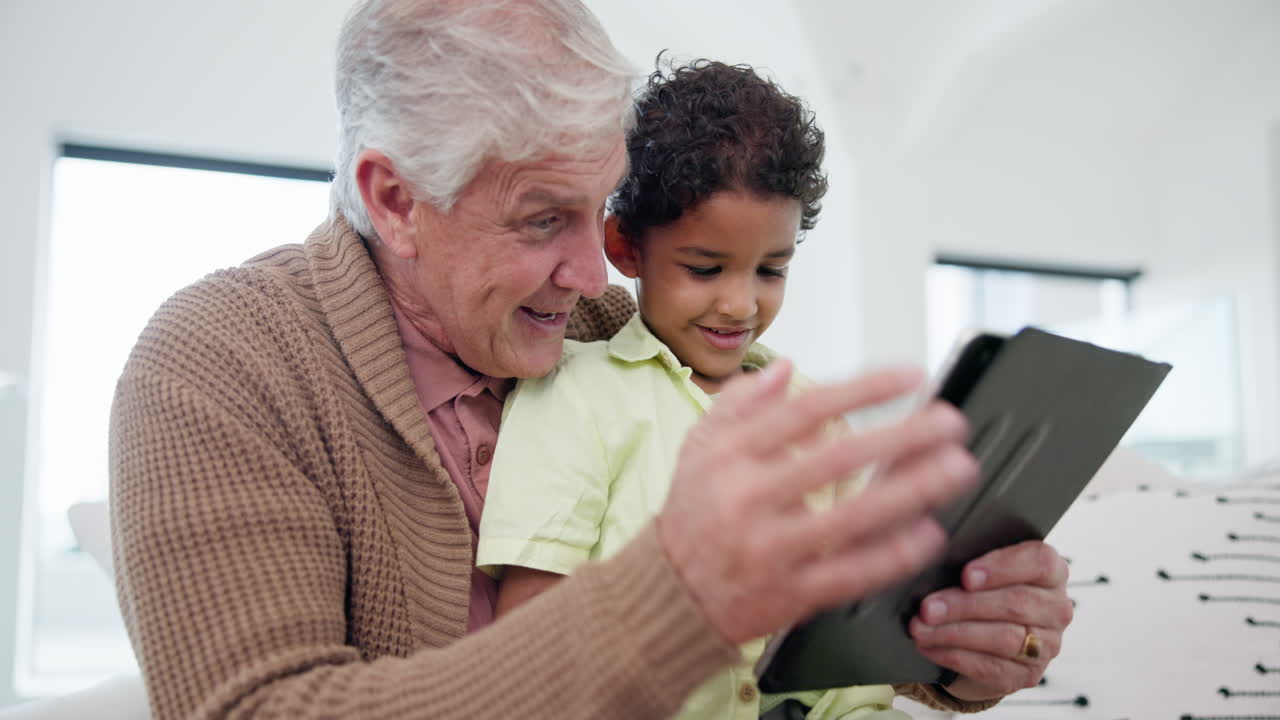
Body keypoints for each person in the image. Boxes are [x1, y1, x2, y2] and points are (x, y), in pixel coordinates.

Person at [107, 1, 1073, 718]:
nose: (592, 270)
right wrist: (673, 600)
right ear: (396, 201)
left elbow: (791, 635)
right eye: (541, 219)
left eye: (600, 208)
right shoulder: (221, 365)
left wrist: (950, 643)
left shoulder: (612, 330)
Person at [476, 58, 911, 719]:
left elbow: (855, 632)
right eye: (705, 269)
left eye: (771, 270)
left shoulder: (811, 414)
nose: (740, 305)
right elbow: (532, 636)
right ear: (626, 247)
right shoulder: (574, 397)